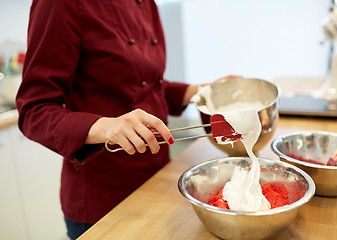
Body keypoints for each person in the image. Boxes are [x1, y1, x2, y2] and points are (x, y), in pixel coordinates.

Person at [16, 0, 230, 239]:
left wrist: (199, 91)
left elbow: (145, 85)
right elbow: (34, 109)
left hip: (157, 180)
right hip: (104, 201)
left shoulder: (146, 4)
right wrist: (106, 126)